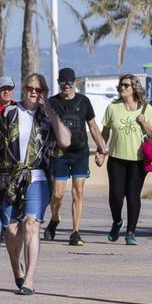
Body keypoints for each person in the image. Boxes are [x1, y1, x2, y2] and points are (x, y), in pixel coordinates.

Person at [0, 73, 70, 296]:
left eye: (39, 89)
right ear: (23, 89)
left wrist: (49, 108)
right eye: (30, 87)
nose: (34, 91)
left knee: (31, 224)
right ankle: (17, 268)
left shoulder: (47, 116)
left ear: (44, 92)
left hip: (37, 177)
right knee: (12, 230)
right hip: (8, 178)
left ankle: (29, 279)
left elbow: (66, 141)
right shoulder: (9, 112)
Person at [43, 68, 107, 246]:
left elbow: (93, 127)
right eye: (63, 83)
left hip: (80, 153)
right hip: (60, 154)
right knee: (57, 194)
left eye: (70, 82)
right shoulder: (52, 103)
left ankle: (75, 232)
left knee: (78, 192)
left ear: (75, 83)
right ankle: (55, 219)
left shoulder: (84, 101)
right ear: (58, 83)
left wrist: (102, 149)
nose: (67, 86)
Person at [101, 74, 152, 245]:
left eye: (125, 85)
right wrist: (100, 150)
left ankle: (131, 232)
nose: (121, 88)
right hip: (116, 159)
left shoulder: (146, 109)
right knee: (116, 196)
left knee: (133, 196)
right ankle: (117, 221)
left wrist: (144, 123)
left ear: (134, 88)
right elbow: (105, 132)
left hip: (138, 160)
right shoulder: (113, 107)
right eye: (120, 85)